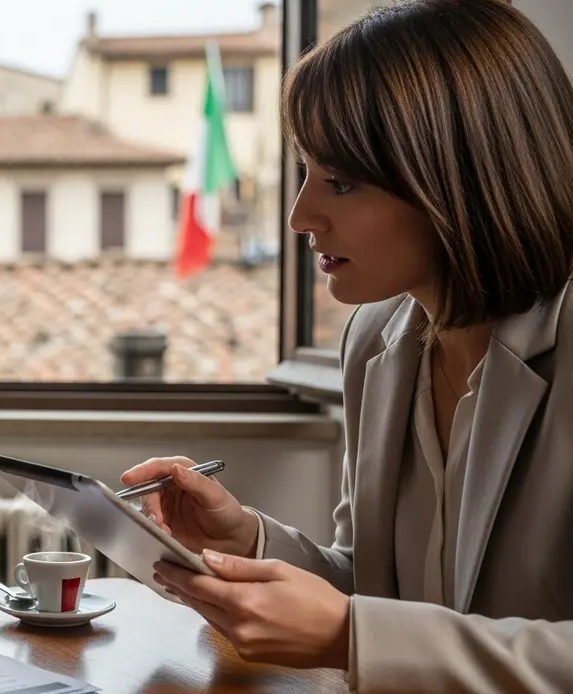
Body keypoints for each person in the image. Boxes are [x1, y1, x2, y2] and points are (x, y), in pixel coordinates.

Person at [122, 0, 573, 691]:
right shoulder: (376, 342)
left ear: (459, 178)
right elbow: (376, 588)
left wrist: (347, 636)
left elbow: (372, 627)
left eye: (340, 181)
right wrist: (245, 539)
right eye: (304, 171)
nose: (302, 216)